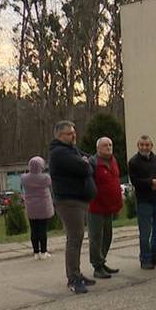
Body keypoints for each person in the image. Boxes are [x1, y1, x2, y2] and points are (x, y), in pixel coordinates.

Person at [49, 120, 96, 295]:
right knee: (74, 238)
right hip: (69, 201)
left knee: (77, 237)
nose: (74, 135)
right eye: (69, 133)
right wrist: (85, 163)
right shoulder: (59, 153)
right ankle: (73, 279)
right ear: (60, 136)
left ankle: (77, 273)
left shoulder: (71, 150)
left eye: (74, 132)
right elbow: (85, 168)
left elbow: (89, 159)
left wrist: (85, 162)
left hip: (79, 200)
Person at [128, 136, 156, 270]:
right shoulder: (133, 162)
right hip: (144, 201)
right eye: (142, 145)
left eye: (147, 145)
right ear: (138, 146)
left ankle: (154, 256)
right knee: (145, 232)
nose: (144, 147)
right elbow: (135, 181)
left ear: (151, 145)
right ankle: (145, 258)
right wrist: (151, 182)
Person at [88, 137, 123, 279]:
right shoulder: (93, 163)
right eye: (105, 145)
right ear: (98, 148)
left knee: (107, 236)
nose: (108, 147)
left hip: (109, 207)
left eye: (110, 145)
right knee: (96, 237)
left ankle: (102, 261)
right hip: (96, 207)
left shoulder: (113, 161)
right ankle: (97, 266)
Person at [21, 156, 53, 260]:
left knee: (33, 230)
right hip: (43, 206)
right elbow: (50, 185)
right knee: (42, 230)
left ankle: (36, 252)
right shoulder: (45, 177)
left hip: (31, 206)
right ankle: (44, 251)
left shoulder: (24, 178)